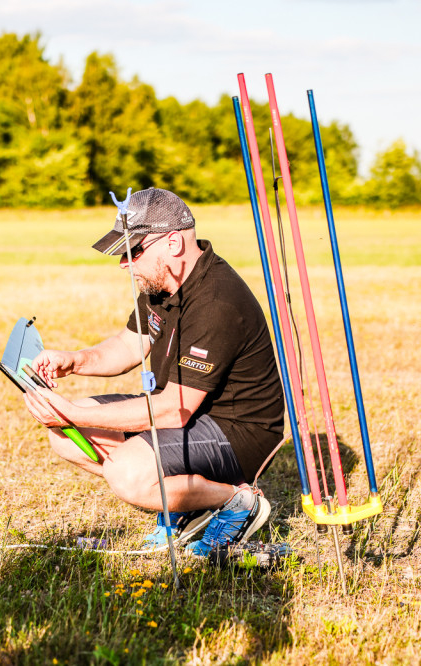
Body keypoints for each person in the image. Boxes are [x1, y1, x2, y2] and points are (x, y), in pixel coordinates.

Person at [23, 188, 284, 556]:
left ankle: (238, 501)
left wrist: (75, 411)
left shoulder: (216, 302)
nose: (123, 264)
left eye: (133, 251)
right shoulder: (162, 284)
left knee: (126, 473)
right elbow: (131, 345)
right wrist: (75, 360)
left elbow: (172, 409)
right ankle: (185, 505)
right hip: (186, 414)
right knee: (65, 434)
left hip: (237, 431)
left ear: (173, 242)